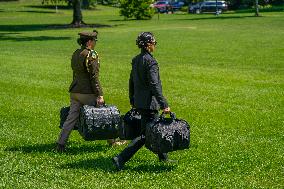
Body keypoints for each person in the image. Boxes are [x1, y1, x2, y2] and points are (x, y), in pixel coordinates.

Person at [112, 32, 174, 171]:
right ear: (148, 45)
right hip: (149, 104)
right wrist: (164, 104)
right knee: (146, 134)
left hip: (140, 102)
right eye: (154, 43)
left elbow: (131, 81)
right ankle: (121, 158)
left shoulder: (136, 60)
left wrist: (132, 98)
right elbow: (154, 84)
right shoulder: (151, 62)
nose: (155, 46)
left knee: (154, 129)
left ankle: (163, 157)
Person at [56, 30, 125, 152]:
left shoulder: (76, 53)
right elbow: (94, 77)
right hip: (87, 92)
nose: (95, 43)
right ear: (89, 42)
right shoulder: (91, 55)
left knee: (71, 118)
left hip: (75, 91)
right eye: (94, 41)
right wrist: (99, 95)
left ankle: (60, 144)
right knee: (106, 114)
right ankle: (113, 141)